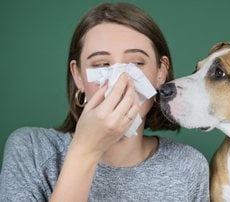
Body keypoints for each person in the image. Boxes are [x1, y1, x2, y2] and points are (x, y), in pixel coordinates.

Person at [0, 2, 209, 201]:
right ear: (79, 76)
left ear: (160, 73)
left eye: (136, 63)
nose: (120, 80)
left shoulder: (188, 166)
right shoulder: (31, 150)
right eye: (101, 64)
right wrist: (86, 149)